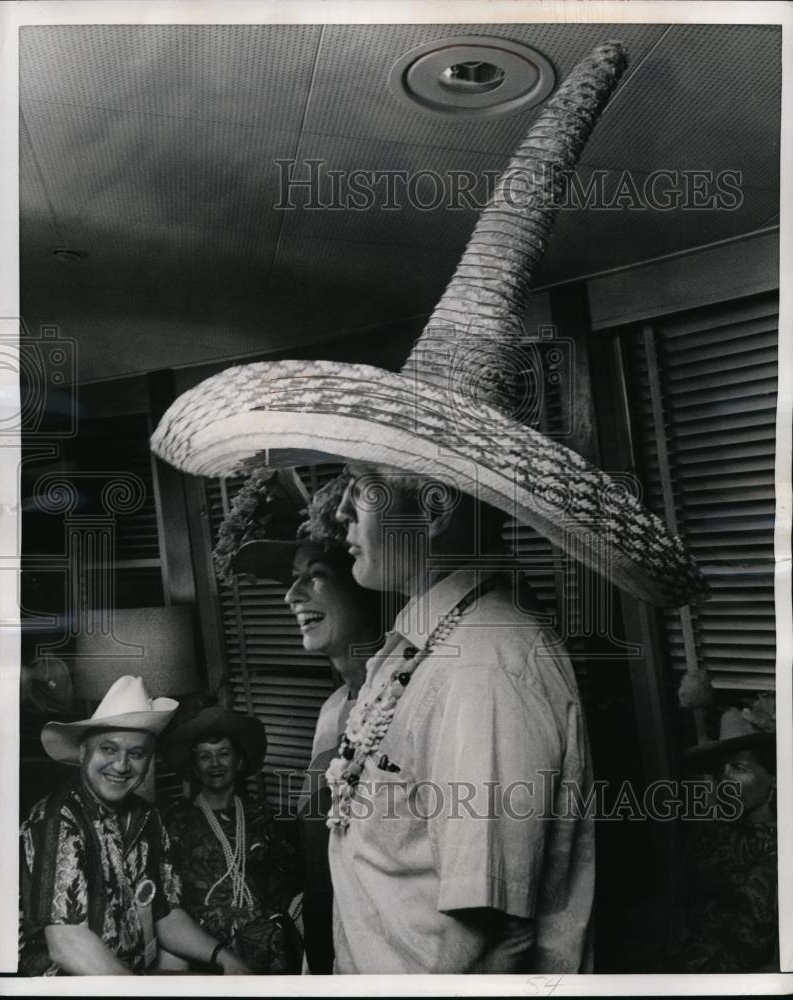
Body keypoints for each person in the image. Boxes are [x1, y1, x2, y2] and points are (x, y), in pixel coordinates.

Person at [151, 42, 707, 972]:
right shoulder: (416, 651)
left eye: (366, 492)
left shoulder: (486, 662)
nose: (342, 517)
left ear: (436, 510)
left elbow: (483, 935)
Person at [226, 470, 390, 972]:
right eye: (290, 580)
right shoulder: (332, 711)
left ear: (365, 584)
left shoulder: (414, 700)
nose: (290, 597)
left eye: (315, 574)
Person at [18, 675, 251, 976]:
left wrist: (223, 957)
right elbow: (66, 943)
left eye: (136, 753)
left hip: (128, 977)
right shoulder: (56, 820)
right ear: (82, 752)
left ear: (149, 760)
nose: (121, 765)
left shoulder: (149, 818)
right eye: (108, 749)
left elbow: (165, 915)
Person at [163, 705, 302, 973]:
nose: (215, 764)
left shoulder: (261, 815)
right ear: (194, 766)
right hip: (204, 943)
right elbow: (168, 901)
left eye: (223, 754)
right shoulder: (177, 821)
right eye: (205, 756)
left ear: (238, 761)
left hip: (266, 936)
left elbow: (287, 881)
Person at [664, 694, 778, 973]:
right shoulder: (710, 827)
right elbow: (678, 902)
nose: (723, 780)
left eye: (738, 768)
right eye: (719, 771)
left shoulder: (779, 852)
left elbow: (754, 948)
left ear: (774, 776)